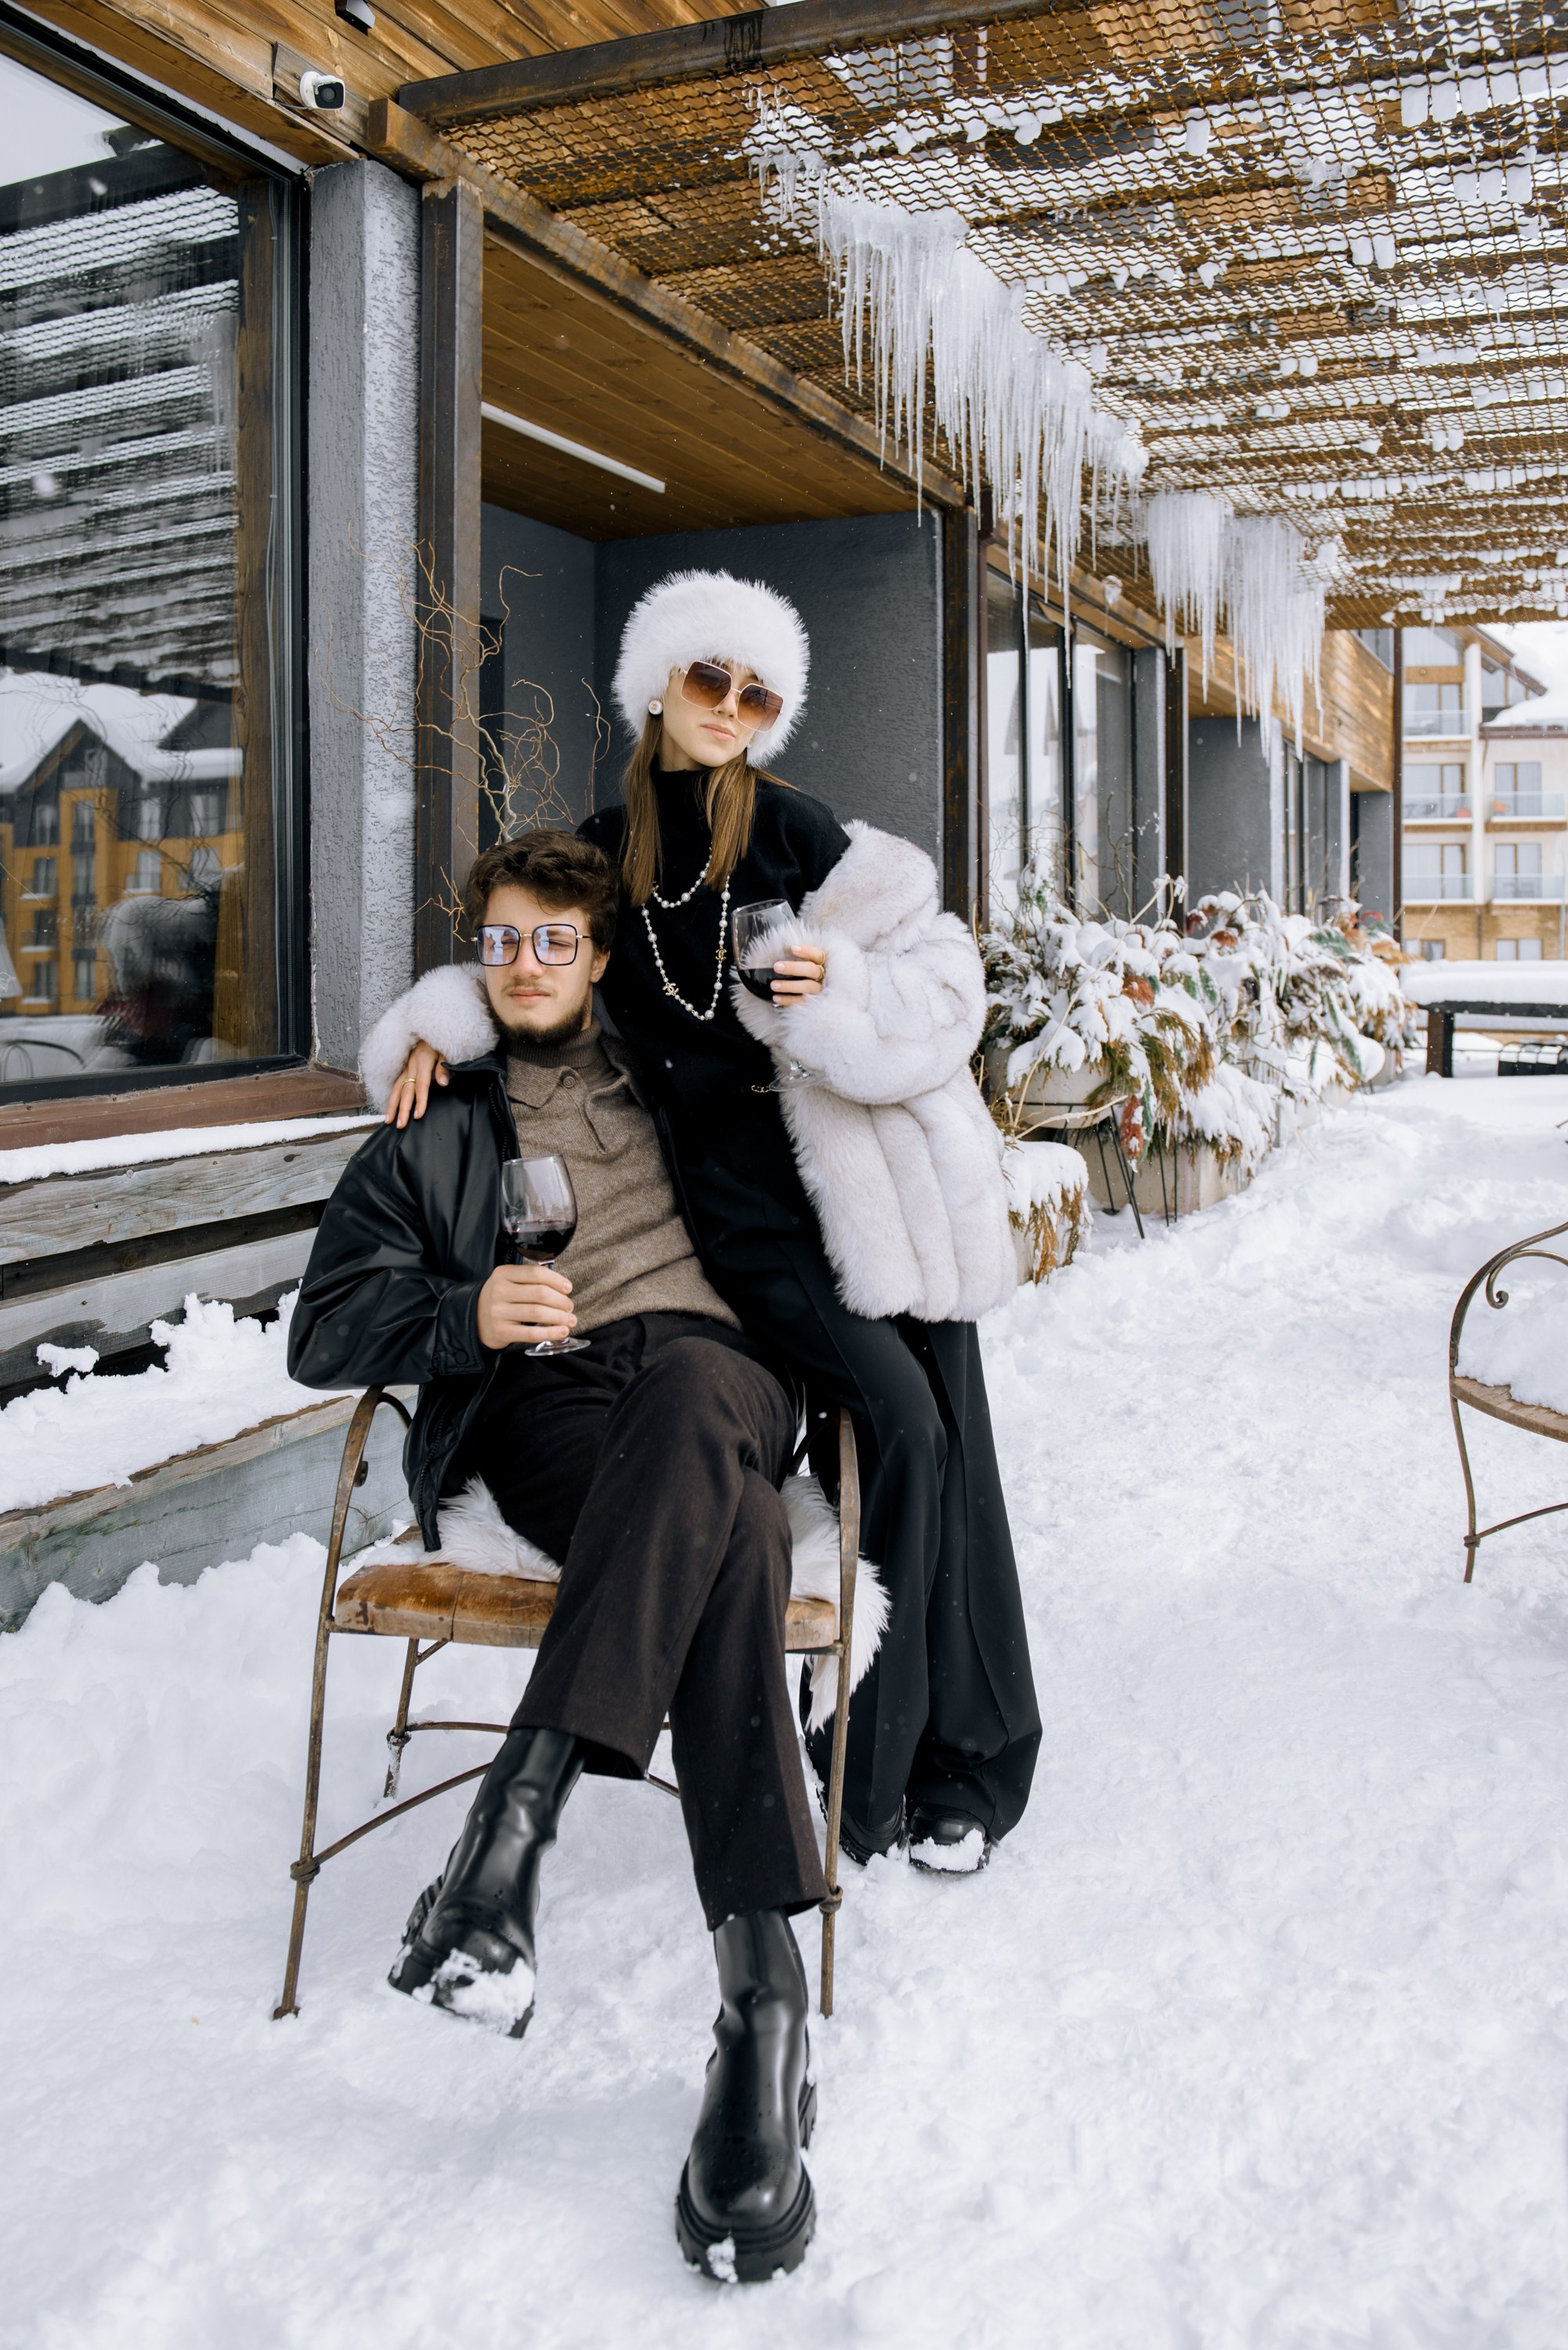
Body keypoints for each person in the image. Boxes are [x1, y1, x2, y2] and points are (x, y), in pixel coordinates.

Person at [372, 568, 1042, 1875]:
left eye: (757, 692)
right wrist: (428, 1034)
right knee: (896, 1431)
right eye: (706, 680)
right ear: (656, 685)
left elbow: (948, 981)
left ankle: (955, 1762)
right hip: (738, 1224)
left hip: (863, 1191)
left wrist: (840, 983)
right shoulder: (596, 847)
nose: (728, 708)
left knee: (943, 1441)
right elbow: (523, 949)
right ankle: (862, 1759)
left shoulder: (803, 833)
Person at [288, 829, 824, 2286]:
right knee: (738, 1537)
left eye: (556, 942)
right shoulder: (434, 1119)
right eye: (503, 941)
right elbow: (322, 1328)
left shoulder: (678, 1061)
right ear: (477, 956)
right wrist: (464, 1320)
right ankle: (762, 2006)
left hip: (719, 1367)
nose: (527, 964)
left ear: (597, 958)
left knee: (709, 1401)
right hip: (555, 1400)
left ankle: (505, 1839)